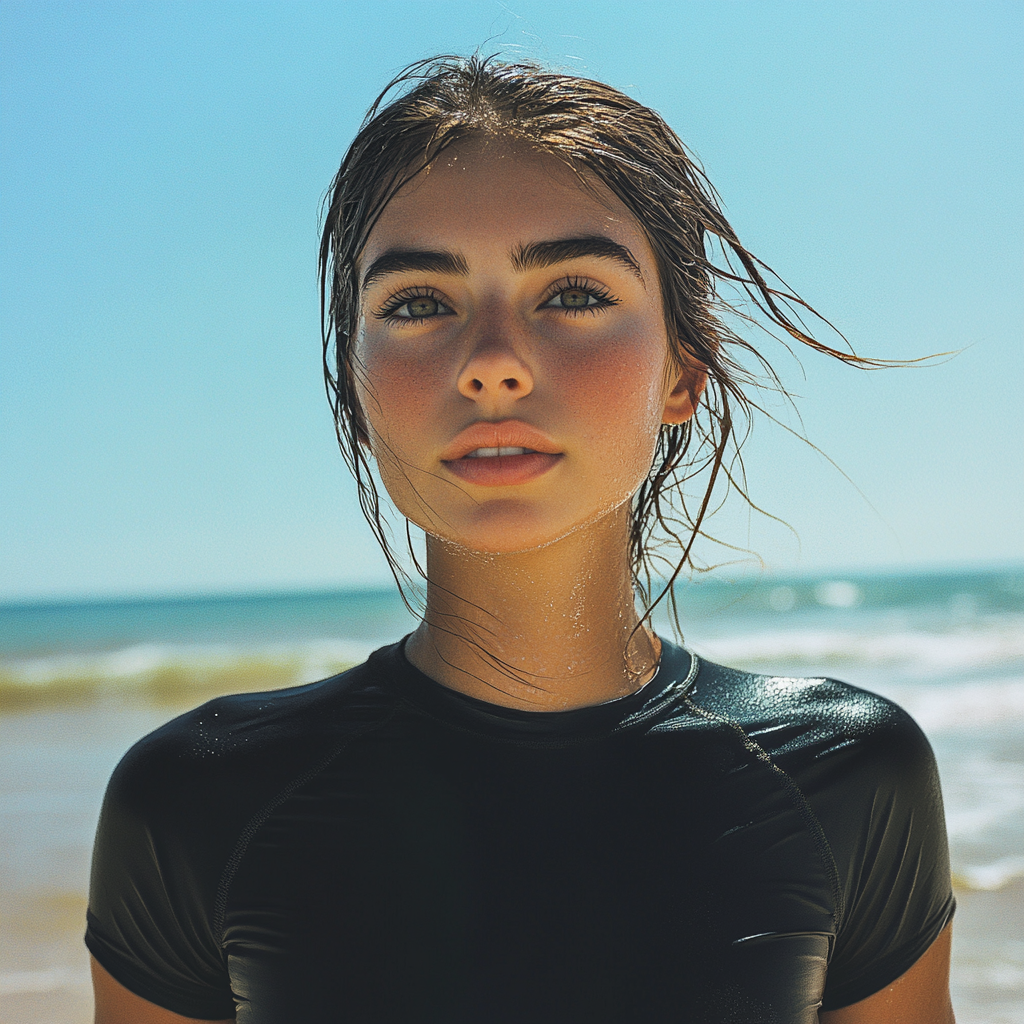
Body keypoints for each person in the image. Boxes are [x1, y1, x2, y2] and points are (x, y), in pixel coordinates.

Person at [86, 56, 956, 1023]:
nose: (494, 363)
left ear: (682, 368)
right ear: (356, 386)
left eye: (573, 293)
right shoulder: (195, 802)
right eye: (418, 304)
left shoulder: (845, 775)